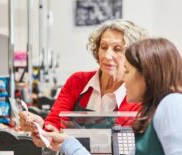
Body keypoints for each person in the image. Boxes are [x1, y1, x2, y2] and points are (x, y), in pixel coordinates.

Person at [43, 37, 182, 155]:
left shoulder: (171, 104)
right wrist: (67, 143)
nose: (123, 78)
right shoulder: (151, 117)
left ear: (146, 75)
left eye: (127, 71)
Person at [19, 19, 148, 135]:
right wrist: (39, 126)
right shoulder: (77, 81)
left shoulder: (136, 95)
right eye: (103, 47)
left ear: (133, 56)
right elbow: (53, 126)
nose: (107, 55)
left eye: (117, 49)